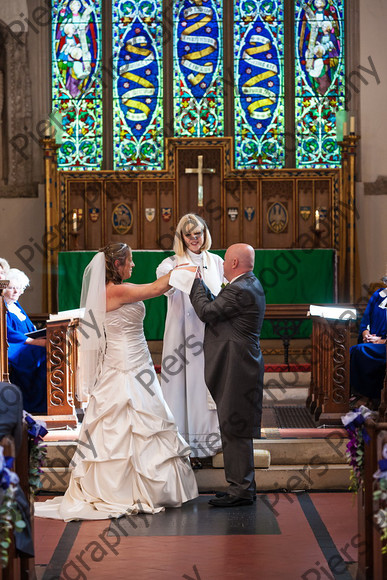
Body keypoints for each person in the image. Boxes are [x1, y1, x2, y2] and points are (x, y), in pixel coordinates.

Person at [35, 243, 198, 521]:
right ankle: (124, 490)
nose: (133, 266)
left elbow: (159, 288)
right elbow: (156, 289)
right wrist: (186, 267)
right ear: (118, 264)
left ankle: (138, 485)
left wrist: (177, 273)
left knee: (143, 416)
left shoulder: (119, 288)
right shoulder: (115, 291)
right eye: (130, 261)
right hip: (124, 363)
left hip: (138, 358)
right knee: (127, 415)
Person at [190, 243, 266, 507]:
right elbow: (220, 309)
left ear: (234, 263)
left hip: (238, 367)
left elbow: (207, 312)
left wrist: (196, 285)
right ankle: (240, 486)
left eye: (224, 261)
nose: (221, 264)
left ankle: (242, 489)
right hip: (240, 364)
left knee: (235, 428)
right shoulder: (247, 284)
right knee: (234, 427)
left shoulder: (240, 288)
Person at [156, 214, 224, 465]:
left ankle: (208, 443)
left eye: (199, 233)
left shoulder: (217, 261)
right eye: (189, 235)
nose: (195, 239)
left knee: (205, 384)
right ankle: (182, 444)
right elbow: (168, 290)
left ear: (205, 233)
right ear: (181, 238)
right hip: (182, 333)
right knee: (182, 385)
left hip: (210, 332)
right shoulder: (169, 264)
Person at [4, 269, 47, 414]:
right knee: (43, 354)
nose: (16, 292)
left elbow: (30, 328)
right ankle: (35, 403)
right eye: (11, 288)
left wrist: (39, 336)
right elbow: (8, 332)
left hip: (27, 343)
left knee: (48, 350)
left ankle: (49, 400)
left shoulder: (16, 306)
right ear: (3, 289)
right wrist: (34, 342)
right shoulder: (2, 307)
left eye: (19, 288)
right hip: (12, 347)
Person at [350, 283, 387, 408]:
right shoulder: (378, 295)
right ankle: (360, 394)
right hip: (373, 341)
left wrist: (382, 341)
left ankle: (367, 396)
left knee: (361, 351)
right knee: (354, 350)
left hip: (384, 345)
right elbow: (365, 320)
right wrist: (366, 334)